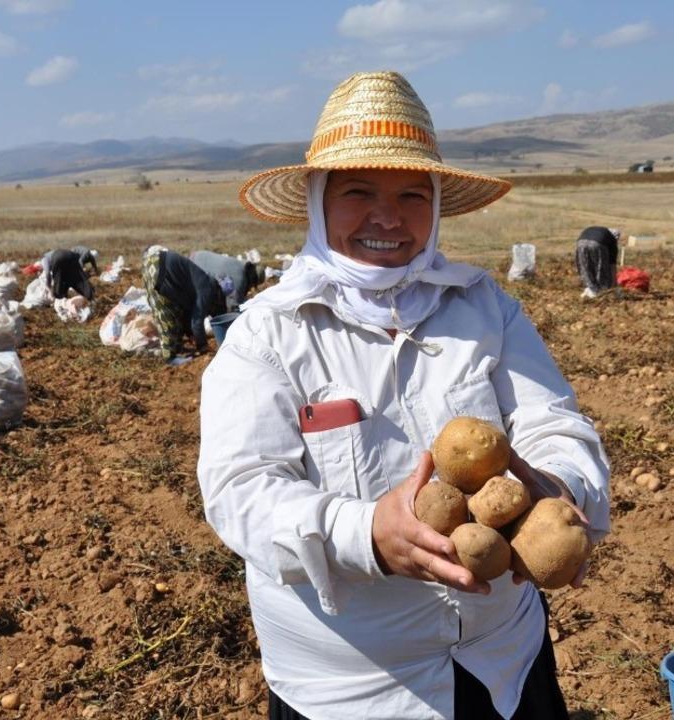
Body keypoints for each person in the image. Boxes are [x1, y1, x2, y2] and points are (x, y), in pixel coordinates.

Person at [197, 72, 609, 720]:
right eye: (359, 192)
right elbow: (241, 491)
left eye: (413, 196)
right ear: (317, 201)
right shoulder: (266, 335)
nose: (388, 218)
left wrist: (557, 491)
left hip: (502, 666)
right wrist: (364, 534)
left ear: (438, 205)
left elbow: (554, 422)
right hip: (348, 694)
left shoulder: (487, 309)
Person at [141, 245, 227, 362]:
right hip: (160, 266)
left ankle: (175, 349)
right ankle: (170, 358)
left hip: (150, 263)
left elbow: (188, 313)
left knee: (173, 313)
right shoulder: (208, 289)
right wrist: (202, 345)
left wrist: (190, 333)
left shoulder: (203, 283)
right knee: (167, 314)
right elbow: (197, 320)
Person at [190, 249, 261, 311]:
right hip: (195, 269)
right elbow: (233, 306)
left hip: (198, 255)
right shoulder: (240, 279)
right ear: (252, 279)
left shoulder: (239, 263)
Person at [574, 226, 621, 299]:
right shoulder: (612, 241)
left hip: (580, 243)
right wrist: (614, 285)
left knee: (586, 267)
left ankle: (591, 289)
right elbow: (612, 266)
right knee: (601, 267)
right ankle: (602, 291)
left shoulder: (601, 231)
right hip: (598, 243)